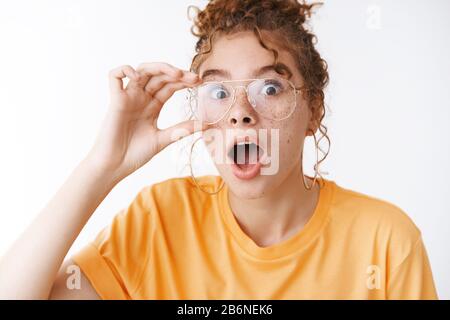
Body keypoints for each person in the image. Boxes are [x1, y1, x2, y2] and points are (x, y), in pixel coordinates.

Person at [0, 0, 437, 299]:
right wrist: (103, 164)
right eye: (219, 91)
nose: (241, 113)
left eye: (270, 86)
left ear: (313, 110)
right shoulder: (162, 219)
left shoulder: (386, 240)